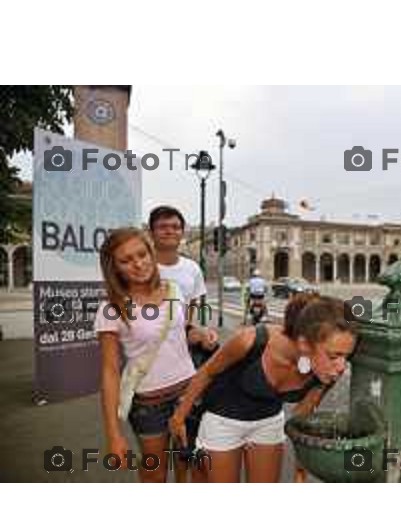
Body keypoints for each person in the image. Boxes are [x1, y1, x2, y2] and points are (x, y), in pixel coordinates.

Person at [169, 293, 357, 483]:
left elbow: (302, 415)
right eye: (334, 356)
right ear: (304, 344)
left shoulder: (327, 371)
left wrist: (301, 468)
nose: (342, 367)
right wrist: (179, 418)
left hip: (268, 421)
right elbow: (207, 372)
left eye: (346, 357)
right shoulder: (250, 341)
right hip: (223, 420)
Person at [94, 227, 203, 483]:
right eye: (126, 260)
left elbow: (180, 332)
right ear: (114, 268)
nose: (138, 264)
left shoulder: (174, 290)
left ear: (151, 253)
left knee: (193, 467)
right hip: (149, 406)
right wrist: (113, 434)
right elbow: (110, 372)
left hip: (190, 394)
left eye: (142, 254)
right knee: (155, 474)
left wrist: (199, 333)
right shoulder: (110, 308)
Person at [148, 205, 218, 360]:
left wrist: (200, 334)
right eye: (162, 227)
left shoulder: (193, 268)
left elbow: (188, 315)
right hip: (145, 348)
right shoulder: (141, 267)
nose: (170, 231)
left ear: (182, 233)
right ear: (151, 233)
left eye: (175, 227)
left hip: (178, 350)